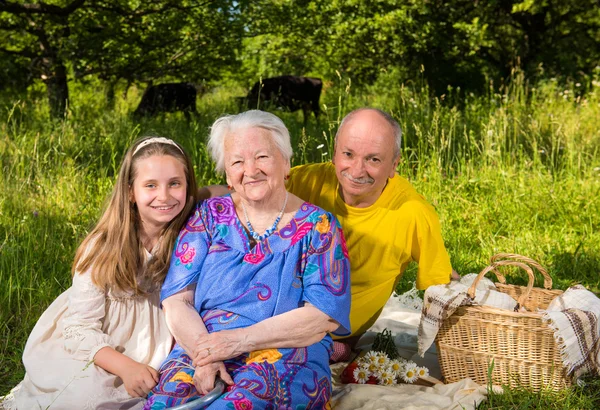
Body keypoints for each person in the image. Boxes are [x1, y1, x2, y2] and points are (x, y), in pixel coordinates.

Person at [199, 108, 454, 355]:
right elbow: (242, 191)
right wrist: (183, 200)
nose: (356, 170)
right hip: (269, 312)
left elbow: (444, 285)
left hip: (329, 331)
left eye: (373, 159)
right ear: (334, 154)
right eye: (348, 154)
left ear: (394, 164)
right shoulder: (310, 180)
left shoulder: (413, 213)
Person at [146, 110, 351, 409]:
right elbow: (177, 300)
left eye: (262, 157)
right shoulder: (208, 217)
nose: (250, 169)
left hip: (285, 351)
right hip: (203, 346)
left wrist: (240, 340)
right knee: (167, 403)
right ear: (228, 174)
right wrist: (204, 356)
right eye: (237, 161)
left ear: (286, 163)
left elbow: (322, 317)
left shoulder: (319, 227)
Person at [2, 137, 198, 410]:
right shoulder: (104, 247)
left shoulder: (192, 234)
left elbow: (221, 196)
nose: (164, 196)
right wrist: (126, 367)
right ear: (130, 192)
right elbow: (79, 327)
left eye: (174, 183)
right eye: (150, 185)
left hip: (157, 348)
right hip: (97, 346)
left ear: (188, 186)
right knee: (83, 398)